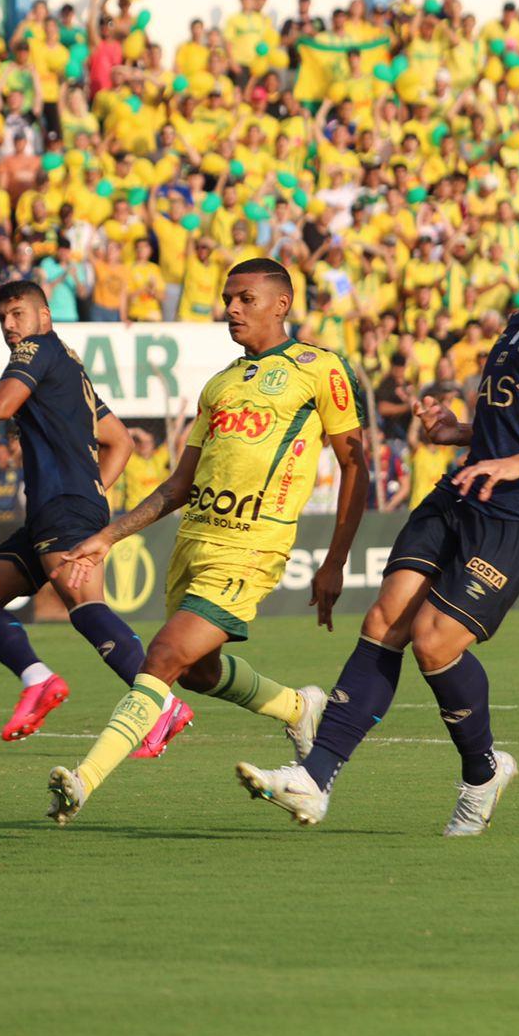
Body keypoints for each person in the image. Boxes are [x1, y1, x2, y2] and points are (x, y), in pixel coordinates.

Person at [237, 193, 519, 835]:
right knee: (386, 617)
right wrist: (459, 432)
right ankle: (314, 781)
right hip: (467, 489)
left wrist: (513, 466)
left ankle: (482, 773)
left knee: (435, 638)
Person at [45, 258, 370, 826]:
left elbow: (354, 464)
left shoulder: (319, 367)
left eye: (245, 298)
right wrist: (109, 536)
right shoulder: (220, 383)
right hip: (193, 543)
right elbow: (178, 484)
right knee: (197, 670)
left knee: (164, 657)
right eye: (227, 299)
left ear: (281, 304)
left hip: (252, 546)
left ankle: (83, 780)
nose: (232, 309)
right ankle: (298, 708)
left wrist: (334, 560)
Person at [0, 280, 143, 742]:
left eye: (18, 314)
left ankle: (157, 702)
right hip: (62, 506)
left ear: (44, 317)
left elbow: (3, 404)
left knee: (83, 607)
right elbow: (120, 441)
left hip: (63, 505)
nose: (10, 325)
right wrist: (93, 490)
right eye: (3, 317)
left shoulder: (36, 350)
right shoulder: (67, 367)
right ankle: (38, 679)